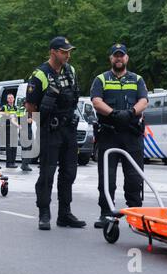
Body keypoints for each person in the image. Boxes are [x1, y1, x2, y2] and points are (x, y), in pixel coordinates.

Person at [25, 36, 86, 230]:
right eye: (63, 51)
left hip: (69, 128)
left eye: (69, 52)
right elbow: (30, 106)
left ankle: (64, 214)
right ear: (53, 52)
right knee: (47, 173)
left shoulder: (71, 71)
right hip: (50, 130)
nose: (67, 55)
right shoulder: (40, 75)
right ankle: (44, 213)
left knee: (69, 172)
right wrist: (45, 119)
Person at [91, 43, 149, 228]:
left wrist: (131, 112)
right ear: (111, 58)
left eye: (121, 55)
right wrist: (114, 114)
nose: (118, 58)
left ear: (126, 58)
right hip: (109, 133)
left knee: (134, 177)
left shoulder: (137, 79)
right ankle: (106, 213)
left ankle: (136, 214)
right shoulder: (101, 79)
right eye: (115, 55)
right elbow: (96, 101)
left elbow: (144, 100)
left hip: (132, 136)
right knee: (107, 176)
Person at [1, 94, 19, 168]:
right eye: (9, 98)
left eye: (12, 97)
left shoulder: (16, 107)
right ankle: (8, 163)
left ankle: (13, 162)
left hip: (14, 128)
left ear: (14, 99)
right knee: (9, 147)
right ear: (7, 100)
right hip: (7, 128)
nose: (11, 99)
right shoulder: (4, 107)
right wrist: (6, 114)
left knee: (14, 146)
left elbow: (19, 116)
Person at [17, 98, 33, 171]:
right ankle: (25, 164)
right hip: (25, 130)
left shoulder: (21, 110)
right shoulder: (24, 110)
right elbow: (27, 120)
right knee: (28, 147)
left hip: (23, 130)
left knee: (25, 147)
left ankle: (24, 164)